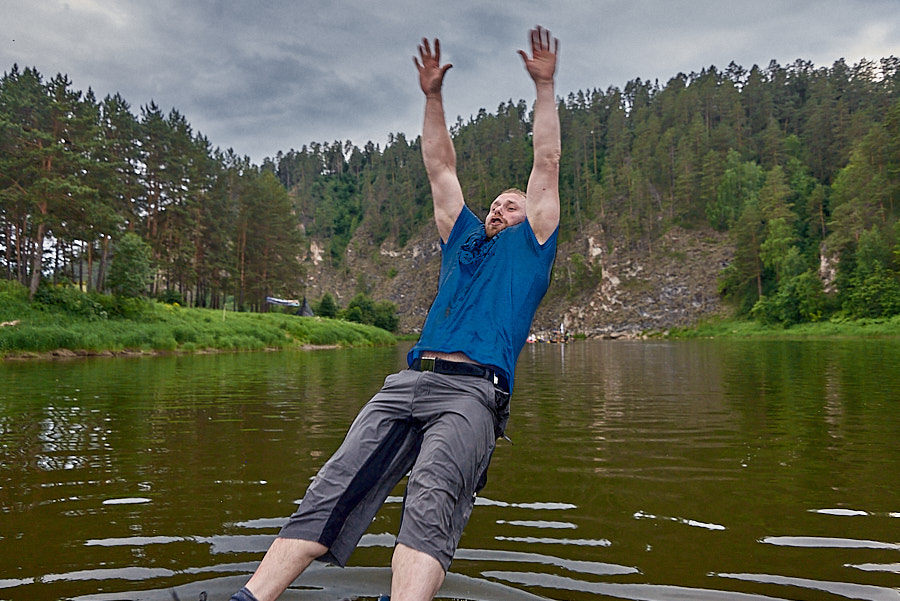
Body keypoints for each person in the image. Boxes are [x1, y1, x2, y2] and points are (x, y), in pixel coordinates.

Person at [228, 25, 560, 601]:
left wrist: (545, 87)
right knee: (330, 487)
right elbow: (440, 168)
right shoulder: (463, 243)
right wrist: (432, 98)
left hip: (472, 391)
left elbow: (547, 159)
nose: (502, 207)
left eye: (514, 202)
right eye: (496, 203)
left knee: (431, 498)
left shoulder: (531, 250)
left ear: (533, 214)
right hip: (407, 382)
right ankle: (251, 598)